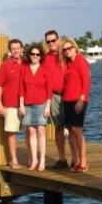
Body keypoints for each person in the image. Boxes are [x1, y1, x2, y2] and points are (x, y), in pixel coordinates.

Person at [59, 37, 91, 172]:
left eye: (69, 48)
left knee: (77, 130)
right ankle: (75, 159)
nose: (67, 51)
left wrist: (81, 98)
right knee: (70, 130)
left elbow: (86, 81)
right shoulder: (67, 63)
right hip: (67, 100)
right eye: (64, 49)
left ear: (75, 48)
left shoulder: (80, 61)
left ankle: (83, 160)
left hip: (78, 100)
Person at [19, 43, 52, 171]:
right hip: (27, 105)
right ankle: (34, 160)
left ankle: (42, 160)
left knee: (41, 132)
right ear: (29, 55)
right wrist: (21, 105)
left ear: (41, 56)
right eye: (32, 54)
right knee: (31, 132)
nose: (35, 56)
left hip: (41, 104)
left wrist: (48, 107)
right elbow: (21, 88)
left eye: (37, 54)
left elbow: (49, 90)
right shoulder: (25, 69)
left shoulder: (45, 70)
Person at [0, 39, 23, 169]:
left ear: (22, 49)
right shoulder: (5, 65)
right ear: (10, 51)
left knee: (33, 131)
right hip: (10, 104)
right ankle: (14, 159)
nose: (16, 51)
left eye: (18, 48)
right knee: (12, 133)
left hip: (27, 104)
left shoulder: (28, 63)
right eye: (13, 49)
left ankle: (33, 159)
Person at [43, 30, 67, 169]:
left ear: (58, 39)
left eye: (53, 40)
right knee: (59, 127)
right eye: (48, 42)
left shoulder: (66, 53)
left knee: (74, 129)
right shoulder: (45, 58)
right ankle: (62, 158)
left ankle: (78, 160)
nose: (51, 43)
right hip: (54, 96)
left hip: (69, 95)